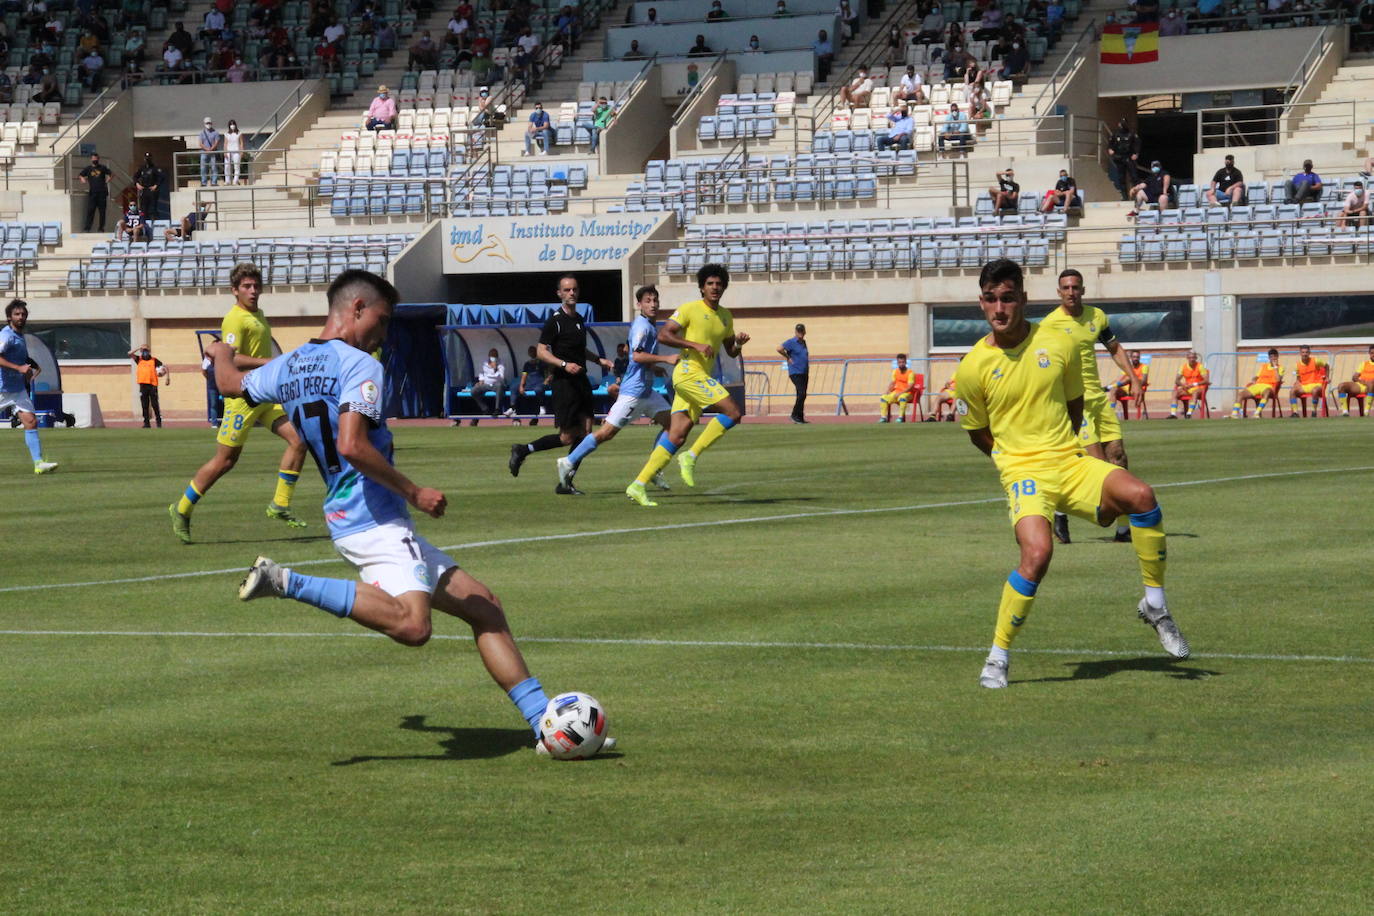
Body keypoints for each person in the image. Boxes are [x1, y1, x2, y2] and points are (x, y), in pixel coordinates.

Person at [212, 271, 605, 756]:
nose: (384, 330)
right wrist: (415, 492)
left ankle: (542, 725)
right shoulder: (359, 365)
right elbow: (351, 445)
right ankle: (287, 581)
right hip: (373, 518)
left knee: (484, 605)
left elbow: (229, 383)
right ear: (356, 309)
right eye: (382, 318)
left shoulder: (288, 364)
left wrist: (219, 352)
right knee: (414, 627)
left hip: (355, 515)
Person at [957, 259, 1188, 690]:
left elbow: (1076, 404)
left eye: (1008, 298)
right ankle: (998, 656)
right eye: (991, 299)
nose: (999, 308)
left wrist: (1064, 447)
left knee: (1141, 495)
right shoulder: (972, 367)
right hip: (1024, 471)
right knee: (1038, 556)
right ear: (981, 303)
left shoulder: (1058, 345)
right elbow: (977, 433)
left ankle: (1155, 605)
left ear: (1023, 299)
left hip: (1068, 460)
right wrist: (1013, 459)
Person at [169, 263, 310, 544]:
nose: (253, 291)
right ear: (235, 291)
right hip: (242, 397)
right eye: (246, 286)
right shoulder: (234, 319)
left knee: (299, 438)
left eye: (256, 286)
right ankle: (182, 508)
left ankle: (279, 504)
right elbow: (228, 358)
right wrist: (269, 363)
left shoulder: (258, 315)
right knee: (225, 461)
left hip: (263, 393)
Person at [625, 264, 749, 506]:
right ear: (701, 287)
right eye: (710, 284)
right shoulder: (689, 309)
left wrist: (739, 344)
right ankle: (690, 457)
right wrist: (694, 345)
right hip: (688, 373)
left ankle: (638, 484)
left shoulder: (725, 316)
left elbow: (730, 352)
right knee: (733, 412)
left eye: (718, 284)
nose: (715, 287)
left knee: (678, 434)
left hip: (700, 376)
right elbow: (664, 335)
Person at [1039, 269, 1142, 545]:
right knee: (1096, 466)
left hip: (1098, 398)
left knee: (1118, 456)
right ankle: (1061, 509)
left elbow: (1114, 348)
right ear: (1058, 292)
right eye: (1066, 288)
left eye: (1075, 287)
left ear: (1083, 290)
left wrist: (1133, 377)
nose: (1071, 292)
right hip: (1074, 402)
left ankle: (1123, 529)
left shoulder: (1097, 316)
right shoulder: (1049, 325)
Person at [556, 286, 678, 495]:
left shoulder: (649, 325)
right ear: (639, 305)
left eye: (655, 300)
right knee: (606, 433)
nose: (653, 304)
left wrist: (654, 367)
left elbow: (640, 359)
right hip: (634, 392)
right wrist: (665, 359)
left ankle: (654, 469)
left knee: (673, 425)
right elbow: (637, 356)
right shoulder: (642, 327)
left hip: (646, 392)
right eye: (648, 301)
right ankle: (568, 461)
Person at [507, 275, 614, 484]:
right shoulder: (555, 321)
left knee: (586, 433)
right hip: (564, 384)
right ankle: (523, 449)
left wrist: (597, 359)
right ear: (559, 294)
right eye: (566, 290)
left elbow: (578, 348)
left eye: (574, 289)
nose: (571, 293)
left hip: (581, 381)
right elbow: (540, 351)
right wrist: (564, 364)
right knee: (567, 438)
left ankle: (566, 482)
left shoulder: (578, 319)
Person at [0, 300, 59, 473]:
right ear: (9, 317)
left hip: (17, 390)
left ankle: (38, 463)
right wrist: (19, 368)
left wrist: (25, 369)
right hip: (2, 389)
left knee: (31, 421)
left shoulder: (20, 336)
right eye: (17, 314)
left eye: (23, 314)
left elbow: (21, 360)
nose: (21, 317)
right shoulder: (6, 336)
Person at [1229, 348, 1283, 418]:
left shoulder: (1280, 368)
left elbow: (1278, 380)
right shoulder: (1264, 366)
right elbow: (1257, 376)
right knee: (1240, 394)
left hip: (1269, 387)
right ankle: (1234, 414)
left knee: (1266, 393)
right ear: (1269, 358)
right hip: (1258, 385)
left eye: (1274, 356)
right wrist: (1253, 380)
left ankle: (1257, 413)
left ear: (1277, 357)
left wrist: (1275, 367)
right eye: (1271, 357)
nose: (1273, 358)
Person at [130, 344, 170, 427]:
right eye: (143, 350)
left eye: (146, 350)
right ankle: (146, 423)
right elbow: (129, 354)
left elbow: (165, 367)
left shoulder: (154, 360)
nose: (145, 352)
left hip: (152, 385)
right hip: (143, 385)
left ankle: (158, 423)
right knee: (144, 405)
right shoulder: (139, 359)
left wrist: (167, 378)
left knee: (155, 404)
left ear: (149, 351)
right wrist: (138, 348)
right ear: (141, 351)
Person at [776, 322, 809, 423]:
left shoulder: (803, 342)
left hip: (804, 372)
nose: (800, 333)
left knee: (803, 394)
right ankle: (794, 415)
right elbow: (779, 348)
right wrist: (788, 357)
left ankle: (800, 416)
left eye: (802, 331)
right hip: (795, 371)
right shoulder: (791, 342)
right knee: (801, 393)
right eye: (798, 331)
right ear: (795, 332)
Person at [468, 347, 511, 424]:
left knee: (499, 386)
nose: (492, 357)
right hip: (486, 384)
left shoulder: (501, 364)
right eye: (491, 355)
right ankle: (485, 408)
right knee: (474, 390)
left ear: (497, 356)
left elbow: (502, 377)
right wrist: (481, 380)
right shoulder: (485, 363)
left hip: (496, 384)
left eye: (494, 355)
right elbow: (481, 373)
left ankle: (497, 409)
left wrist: (495, 368)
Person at [877, 353, 922, 423]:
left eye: (903, 362)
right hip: (896, 392)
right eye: (899, 362)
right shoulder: (895, 372)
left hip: (908, 393)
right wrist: (888, 391)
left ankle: (900, 417)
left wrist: (900, 393)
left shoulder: (910, 373)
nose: (901, 364)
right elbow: (893, 383)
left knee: (902, 397)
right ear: (897, 363)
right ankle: (883, 417)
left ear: (906, 362)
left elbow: (910, 387)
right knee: (883, 398)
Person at [1287, 344, 1328, 417]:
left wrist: (1327, 377)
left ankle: (1314, 411)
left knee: (1314, 390)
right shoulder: (1297, 365)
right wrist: (1297, 382)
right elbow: (1298, 378)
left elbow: (1326, 366)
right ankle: (1295, 413)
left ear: (1309, 353)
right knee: (1292, 391)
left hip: (1316, 384)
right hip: (1305, 386)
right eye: (1303, 352)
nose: (1305, 354)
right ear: (1300, 353)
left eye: (1306, 352)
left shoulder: (1316, 360)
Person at [1335, 343, 1374, 416]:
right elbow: (1354, 377)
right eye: (1372, 353)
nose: (1373, 355)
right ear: (1369, 353)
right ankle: (1345, 412)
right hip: (1362, 385)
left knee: (1371, 383)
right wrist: (1362, 381)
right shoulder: (1364, 364)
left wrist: (1369, 382)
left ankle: (1366, 412)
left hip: (1372, 386)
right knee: (1341, 386)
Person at [1106, 119, 1141, 200]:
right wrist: (1110, 150)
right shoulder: (1115, 134)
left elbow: (1138, 143)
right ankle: (1125, 197)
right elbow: (1110, 144)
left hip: (1129, 158)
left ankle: (1138, 195)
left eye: (1124, 124)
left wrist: (1136, 153)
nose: (1122, 126)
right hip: (1119, 158)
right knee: (1121, 178)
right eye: (1121, 124)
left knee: (1134, 177)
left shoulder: (1131, 134)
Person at [1168, 350, 1209, 419]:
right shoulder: (1183, 367)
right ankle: (1173, 414)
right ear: (1187, 358)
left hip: (1199, 388)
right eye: (1190, 357)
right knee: (1175, 392)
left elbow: (1206, 380)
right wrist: (1183, 385)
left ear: (1196, 358)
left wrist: (1194, 384)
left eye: (1193, 357)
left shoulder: (1200, 366)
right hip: (1187, 388)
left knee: (1195, 393)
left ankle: (1189, 413)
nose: (1192, 359)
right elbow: (1177, 380)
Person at [78, 152, 112, 233]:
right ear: (91, 159)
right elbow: (80, 175)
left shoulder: (102, 168)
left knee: (102, 212)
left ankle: (101, 228)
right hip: (93, 193)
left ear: (98, 159)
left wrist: (108, 180)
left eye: (96, 159)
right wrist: (82, 178)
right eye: (93, 159)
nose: (95, 160)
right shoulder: (88, 168)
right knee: (90, 211)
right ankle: (87, 228)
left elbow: (111, 174)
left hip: (102, 193)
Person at [517, 345, 548, 423]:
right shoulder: (527, 364)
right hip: (530, 385)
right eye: (530, 351)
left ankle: (542, 407)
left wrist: (546, 381)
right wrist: (521, 386)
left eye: (533, 351)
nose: (531, 353)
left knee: (538, 390)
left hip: (540, 384)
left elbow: (549, 372)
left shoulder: (542, 362)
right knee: (517, 390)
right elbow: (524, 375)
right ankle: (514, 412)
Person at [1111, 350, 1147, 416]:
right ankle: (1111, 412)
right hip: (1125, 390)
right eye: (1134, 357)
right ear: (1131, 358)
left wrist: (1134, 381)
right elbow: (1120, 378)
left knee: (1130, 378)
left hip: (1137, 389)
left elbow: (1144, 381)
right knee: (1114, 389)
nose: (1135, 358)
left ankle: (1109, 387)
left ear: (1139, 358)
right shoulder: (1128, 367)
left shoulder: (1144, 366)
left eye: (1137, 357)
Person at [134, 152, 162, 221]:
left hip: (152, 190)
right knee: (144, 207)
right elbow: (135, 177)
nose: (147, 160)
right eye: (146, 158)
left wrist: (156, 185)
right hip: (144, 190)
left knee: (153, 207)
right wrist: (137, 184)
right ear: (144, 159)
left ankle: (154, 221)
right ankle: (144, 221)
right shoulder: (142, 168)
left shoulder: (155, 168)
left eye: (149, 158)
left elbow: (161, 177)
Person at [198, 118, 223, 187]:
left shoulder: (215, 132)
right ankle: (204, 182)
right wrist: (206, 149)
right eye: (207, 123)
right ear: (204, 124)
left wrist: (211, 149)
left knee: (214, 167)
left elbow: (216, 142)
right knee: (203, 168)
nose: (208, 124)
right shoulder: (202, 133)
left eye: (209, 123)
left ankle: (214, 182)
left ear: (211, 123)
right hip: (204, 152)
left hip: (213, 152)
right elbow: (200, 143)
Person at [223, 119, 244, 185]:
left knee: (236, 166)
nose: (232, 126)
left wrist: (242, 151)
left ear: (235, 125)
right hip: (229, 152)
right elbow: (225, 143)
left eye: (233, 124)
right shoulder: (226, 134)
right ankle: (227, 181)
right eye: (231, 124)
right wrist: (225, 152)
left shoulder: (239, 133)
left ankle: (235, 180)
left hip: (236, 152)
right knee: (227, 167)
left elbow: (241, 143)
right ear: (229, 126)